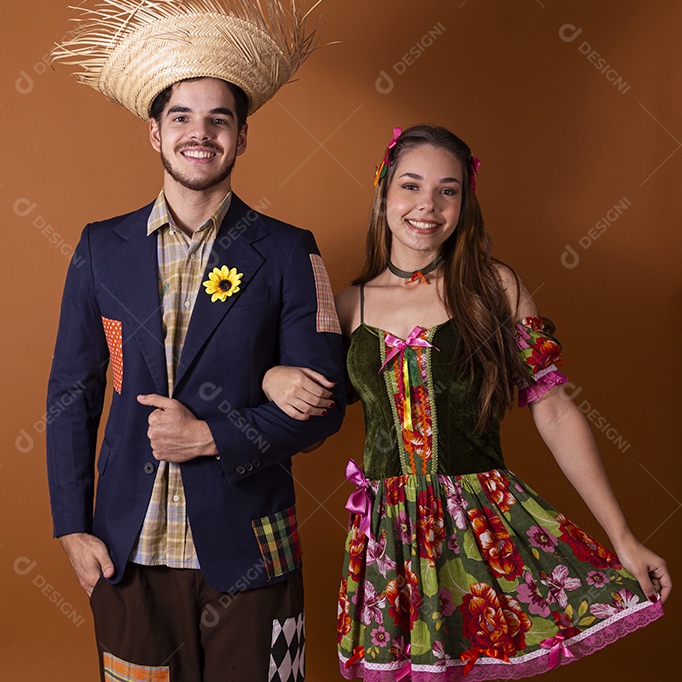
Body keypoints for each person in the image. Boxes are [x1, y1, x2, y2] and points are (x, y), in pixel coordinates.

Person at [263, 124, 670, 680]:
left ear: (464, 203)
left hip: (480, 527)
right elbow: (308, 403)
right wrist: (271, 378)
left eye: (447, 190)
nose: (426, 205)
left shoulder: (493, 287)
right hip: (389, 539)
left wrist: (622, 538)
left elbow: (554, 411)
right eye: (410, 185)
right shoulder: (348, 305)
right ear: (384, 192)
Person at [45, 0, 343, 680]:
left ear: (242, 137)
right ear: (155, 132)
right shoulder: (100, 248)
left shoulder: (289, 250)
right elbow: (73, 391)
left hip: (253, 548)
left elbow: (322, 404)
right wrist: (70, 525)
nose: (199, 133)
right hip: (128, 545)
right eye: (181, 116)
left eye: (218, 120)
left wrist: (211, 436)